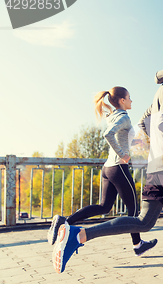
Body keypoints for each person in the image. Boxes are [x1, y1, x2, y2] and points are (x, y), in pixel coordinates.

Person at [52, 46, 163, 284]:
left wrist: (160, 147)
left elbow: (144, 123)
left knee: (144, 222)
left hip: (159, 164)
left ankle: (78, 234)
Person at [47, 87, 157, 256]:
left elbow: (121, 137)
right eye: (129, 97)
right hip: (118, 167)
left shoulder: (113, 116)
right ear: (121, 100)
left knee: (104, 206)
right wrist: (123, 154)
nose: (131, 100)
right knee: (134, 210)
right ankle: (137, 245)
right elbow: (108, 134)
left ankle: (65, 221)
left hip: (108, 168)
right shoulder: (123, 117)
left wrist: (135, 145)